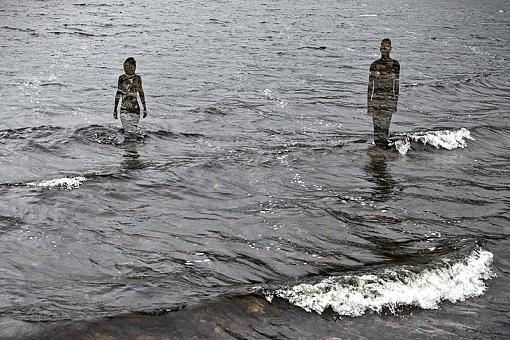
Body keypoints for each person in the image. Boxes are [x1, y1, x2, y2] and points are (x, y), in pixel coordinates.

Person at [367, 38, 400, 148]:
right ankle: (378, 154)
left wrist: (395, 103)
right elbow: (370, 86)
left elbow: (396, 85)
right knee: (377, 130)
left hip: (388, 100)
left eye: (386, 47)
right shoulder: (374, 65)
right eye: (382, 47)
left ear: (391, 49)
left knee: (385, 129)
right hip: (376, 100)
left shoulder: (395, 65)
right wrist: (369, 104)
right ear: (380, 49)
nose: (384, 50)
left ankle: (382, 155)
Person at [114, 57, 147, 134]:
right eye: (125, 67)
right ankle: (129, 145)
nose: (127, 69)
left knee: (133, 132)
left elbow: (141, 93)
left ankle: (131, 145)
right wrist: (115, 109)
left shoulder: (138, 78)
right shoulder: (122, 78)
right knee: (128, 132)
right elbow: (118, 93)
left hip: (135, 110)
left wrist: (144, 108)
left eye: (129, 67)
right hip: (124, 109)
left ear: (134, 67)